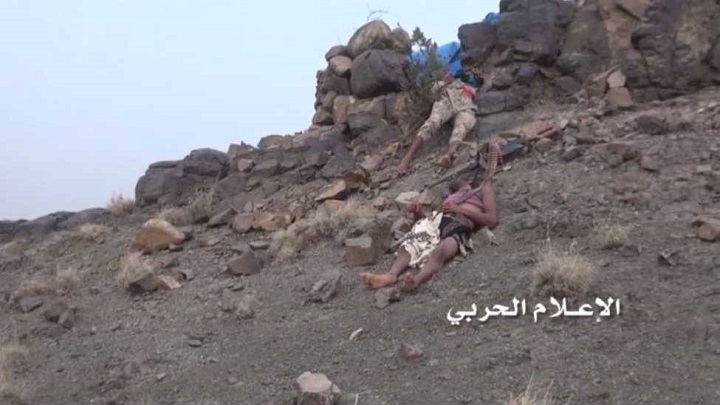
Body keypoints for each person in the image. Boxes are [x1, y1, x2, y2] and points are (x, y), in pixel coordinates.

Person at [359, 177, 499, 292]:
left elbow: (492, 220)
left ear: (470, 181)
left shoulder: (482, 190)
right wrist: (416, 213)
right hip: (434, 221)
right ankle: (391, 275)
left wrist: (458, 209)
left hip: (459, 223)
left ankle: (416, 280)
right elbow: (428, 219)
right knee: (411, 243)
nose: (457, 187)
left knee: (441, 249)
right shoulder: (450, 198)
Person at [396, 72, 482, 175]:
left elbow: (482, 84)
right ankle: (407, 159)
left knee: (462, 126)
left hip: (465, 105)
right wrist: (445, 81)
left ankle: (450, 154)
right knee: (432, 122)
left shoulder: (472, 88)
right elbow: (431, 91)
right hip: (447, 99)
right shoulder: (447, 82)